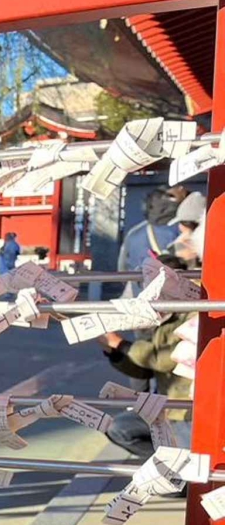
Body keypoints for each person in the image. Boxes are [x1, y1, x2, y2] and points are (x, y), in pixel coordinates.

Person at [100, 254, 197, 456]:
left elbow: (163, 359)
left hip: (186, 411)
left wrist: (120, 344)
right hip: (165, 408)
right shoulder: (166, 314)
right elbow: (146, 372)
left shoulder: (195, 313)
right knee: (118, 428)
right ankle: (167, 461)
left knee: (191, 466)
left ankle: (176, 467)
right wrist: (115, 353)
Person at [119, 190, 181, 276]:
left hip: (141, 282)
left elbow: (122, 269)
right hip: (177, 281)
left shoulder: (133, 233)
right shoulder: (185, 227)